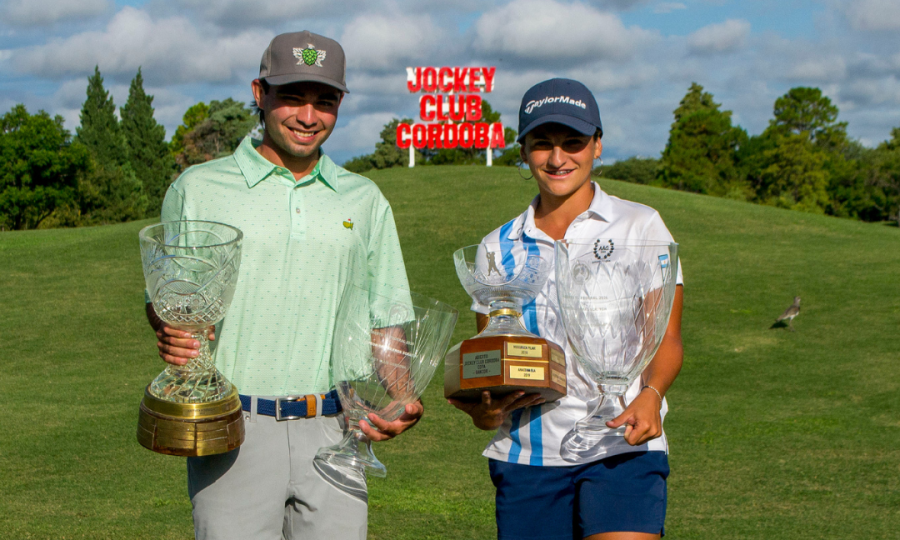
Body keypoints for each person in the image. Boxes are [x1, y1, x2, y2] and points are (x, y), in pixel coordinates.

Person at [146, 31, 419, 540]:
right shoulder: (200, 188)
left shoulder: (363, 198)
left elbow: (386, 316)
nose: (308, 116)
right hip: (233, 427)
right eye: (292, 97)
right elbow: (169, 304)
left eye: (325, 101)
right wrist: (169, 328)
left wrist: (403, 394)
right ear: (259, 93)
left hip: (336, 430)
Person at [450, 78, 685, 540]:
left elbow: (667, 336)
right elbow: (492, 360)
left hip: (624, 442)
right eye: (542, 144)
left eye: (573, 142)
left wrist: (652, 394)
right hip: (529, 457)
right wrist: (483, 409)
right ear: (523, 152)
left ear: (597, 145)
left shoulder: (641, 223)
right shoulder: (497, 246)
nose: (558, 159)